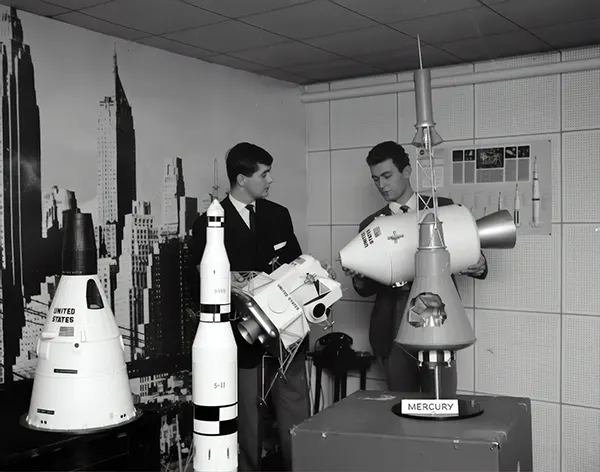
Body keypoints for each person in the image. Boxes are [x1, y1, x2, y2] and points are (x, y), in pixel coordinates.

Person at [188, 142, 309, 472]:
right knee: (247, 418)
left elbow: (295, 263)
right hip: (241, 338)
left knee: (295, 407)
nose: (270, 180)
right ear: (242, 179)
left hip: (288, 333)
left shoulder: (278, 215)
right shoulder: (208, 224)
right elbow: (201, 283)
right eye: (264, 174)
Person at [343, 141, 488, 397]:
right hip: (392, 324)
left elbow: (469, 249)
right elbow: (365, 289)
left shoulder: (441, 208)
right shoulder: (370, 226)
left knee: (441, 400)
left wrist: (480, 263)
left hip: (437, 318)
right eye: (376, 179)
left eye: (387, 176)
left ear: (407, 171)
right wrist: (359, 277)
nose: (381, 185)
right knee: (402, 404)